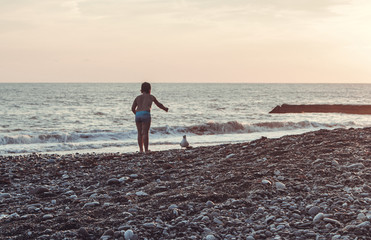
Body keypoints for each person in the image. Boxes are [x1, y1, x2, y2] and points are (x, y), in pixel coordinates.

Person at [131, 82, 168, 153]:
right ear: (149, 89)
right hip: (146, 114)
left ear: (141, 89)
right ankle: (146, 150)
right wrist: (165, 108)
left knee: (139, 133)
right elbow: (159, 104)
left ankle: (141, 150)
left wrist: (137, 114)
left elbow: (132, 108)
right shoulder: (151, 97)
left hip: (138, 115)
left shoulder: (137, 97)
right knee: (145, 133)